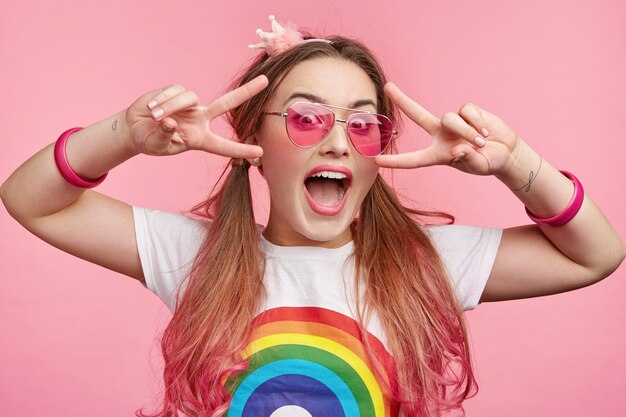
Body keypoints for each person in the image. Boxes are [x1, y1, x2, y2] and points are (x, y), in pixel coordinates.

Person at [1, 14, 624, 417]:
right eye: (305, 117)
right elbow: (29, 200)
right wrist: (123, 135)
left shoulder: (427, 265)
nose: (338, 142)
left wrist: (515, 163)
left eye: (361, 123)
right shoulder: (195, 257)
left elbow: (597, 253)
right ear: (254, 144)